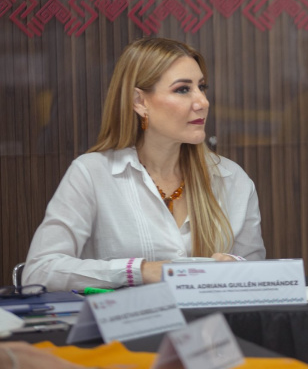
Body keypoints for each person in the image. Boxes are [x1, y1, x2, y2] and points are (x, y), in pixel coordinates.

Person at [23, 38, 266, 291]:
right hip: (122, 318)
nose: (202, 102)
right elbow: (39, 271)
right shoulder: (91, 174)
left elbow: (261, 278)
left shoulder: (232, 178)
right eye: (183, 89)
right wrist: (140, 271)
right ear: (139, 101)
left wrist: (237, 267)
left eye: (201, 87)